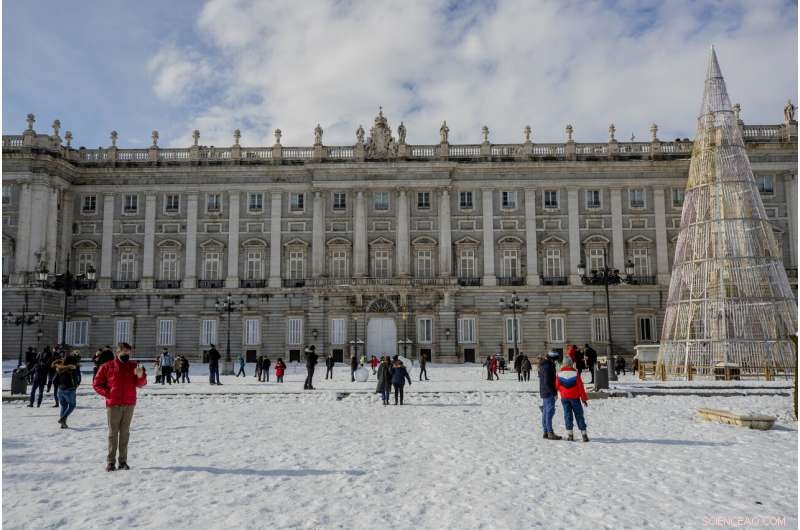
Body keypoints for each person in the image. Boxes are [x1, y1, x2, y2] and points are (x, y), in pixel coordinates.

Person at [92, 342, 147, 471]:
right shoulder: (107, 366)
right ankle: (111, 461)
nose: (127, 354)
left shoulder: (134, 366)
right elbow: (97, 384)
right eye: (124, 352)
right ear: (118, 352)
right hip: (113, 404)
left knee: (124, 434)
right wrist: (108, 393)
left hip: (129, 404)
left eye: (129, 352)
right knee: (112, 434)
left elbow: (141, 383)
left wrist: (140, 376)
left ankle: (123, 461)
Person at [555, 357, 589, 442]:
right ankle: (584, 434)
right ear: (571, 363)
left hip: (565, 398)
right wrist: (584, 399)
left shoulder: (559, 374)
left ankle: (570, 435)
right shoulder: (575, 373)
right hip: (575, 398)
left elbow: (557, 386)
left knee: (567, 415)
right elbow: (580, 387)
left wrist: (563, 391)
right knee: (579, 415)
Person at [54, 352, 81, 428]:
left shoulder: (60, 368)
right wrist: (76, 385)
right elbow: (76, 379)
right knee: (72, 405)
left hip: (60, 390)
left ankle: (63, 424)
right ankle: (63, 418)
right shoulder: (72, 369)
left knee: (64, 406)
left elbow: (55, 380)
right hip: (69, 390)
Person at [539, 350, 562, 440]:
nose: (556, 361)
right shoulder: (548, 366)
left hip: (544, 391)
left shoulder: (544, 365)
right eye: (555, 359)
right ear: (553, 359)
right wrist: (554, 393)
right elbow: (548, 382)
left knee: (545, 412)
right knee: (549, 412)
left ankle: (545, 431)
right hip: (549, 392)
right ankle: (550, 432)